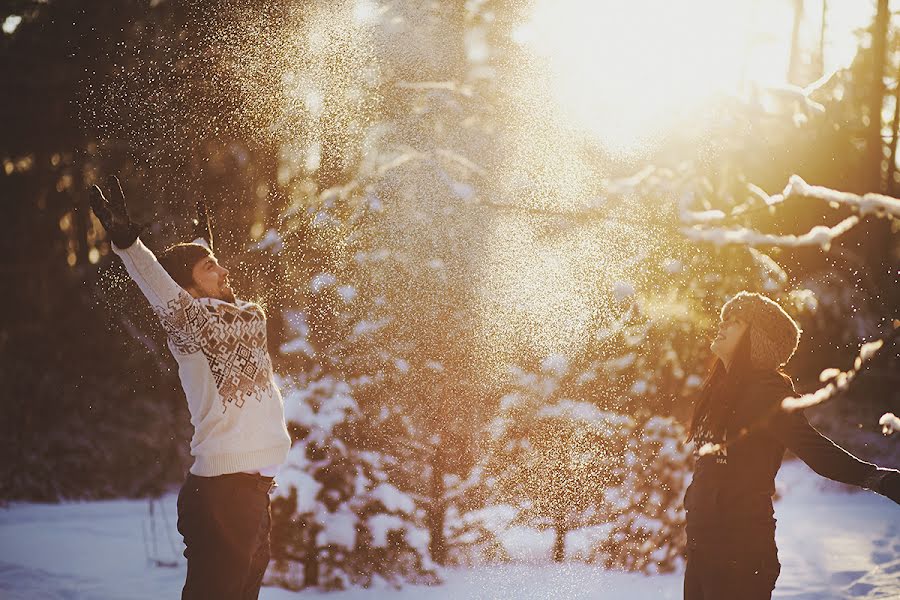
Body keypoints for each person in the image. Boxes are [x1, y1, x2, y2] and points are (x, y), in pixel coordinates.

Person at [90, 176, 292, 600]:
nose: (224, 270)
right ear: (187, 289)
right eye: (210, 268)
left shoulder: (240, 319)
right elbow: (161, 286)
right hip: (224, 495)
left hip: (252, 496)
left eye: (217, 262)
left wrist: (203, 246)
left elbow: (193, 278)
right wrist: (130, 246)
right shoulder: (191, 326)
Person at [683, 291, 900, 600]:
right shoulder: (718, 391)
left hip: (740, 550)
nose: (723, 325)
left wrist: (877, 478)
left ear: (757, 339)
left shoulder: (767, 393)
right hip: (703, 548)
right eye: (724, 318)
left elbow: (814, 449)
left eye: (736, 321)